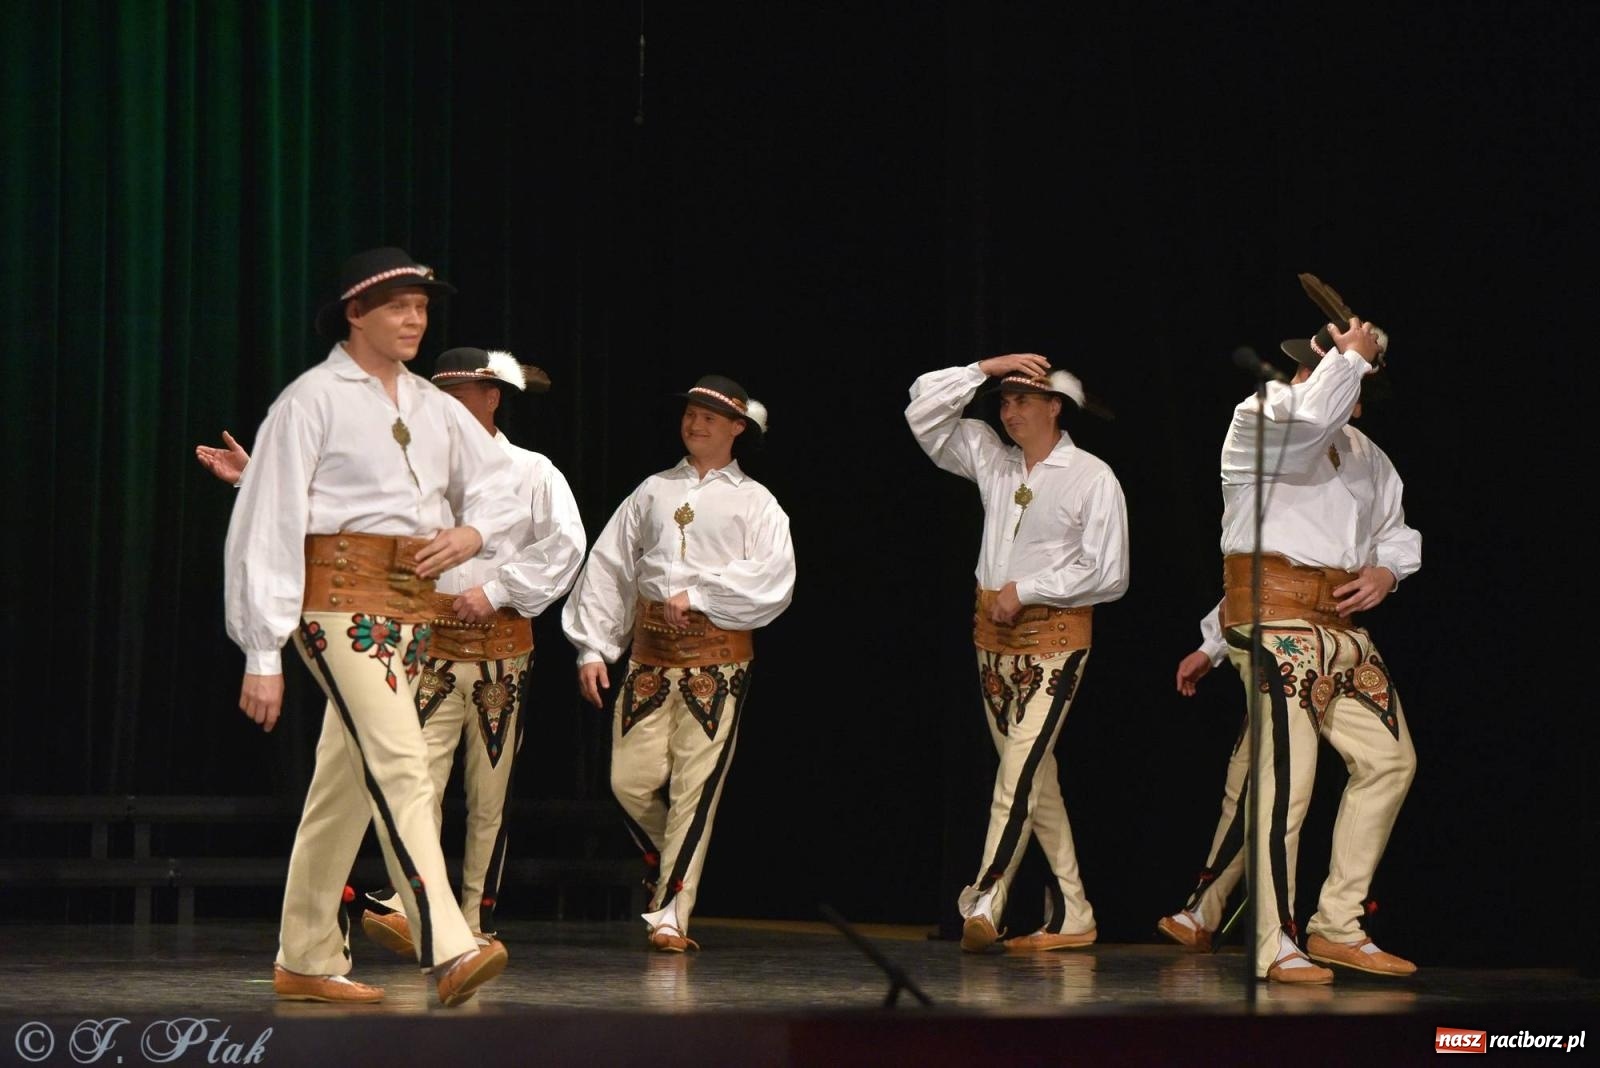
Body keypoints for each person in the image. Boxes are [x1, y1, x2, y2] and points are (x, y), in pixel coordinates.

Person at [224, 247, 522, 1005]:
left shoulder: (433, 407)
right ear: (355, 314)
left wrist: (473, 533)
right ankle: (446, 942)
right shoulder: (311, 401)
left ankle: (305, 955)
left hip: (410, 611)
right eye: (398, 306)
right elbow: (268, 520)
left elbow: (500, 484)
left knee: (346, 784)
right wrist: (262, 648)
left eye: (421, 307)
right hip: (336, 604)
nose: (415, 319)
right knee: (400, 761)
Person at [1162, 310, 1421, 984]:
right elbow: (1259, 550)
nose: (1310, 376)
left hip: (1342, 631)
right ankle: (1272, 939)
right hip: (1276, 626)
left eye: (1326, 369)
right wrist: (1353, 357)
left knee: (1391, 761)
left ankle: (1337, 924)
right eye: (1313, 365)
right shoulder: (1262, 418)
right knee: (1286, 783)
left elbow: (1395, 532)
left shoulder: (1368, 456)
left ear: (1357, 397)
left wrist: (1387, 572)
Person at [561, 375, 795, 952]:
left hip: (717, 662)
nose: (695, 423)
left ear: (738, 427)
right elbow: (612, 567)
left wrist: (705, 593)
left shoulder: (757, 502)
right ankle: (674, 867)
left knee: (695, 790)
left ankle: (670, 913)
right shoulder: (653, 490)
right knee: (627, 783)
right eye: (691, 413)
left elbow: (773, 580)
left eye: (710, 417)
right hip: (649, 658)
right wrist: (594, 646)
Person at [905, 354, 1128, 953]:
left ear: (1055, 406)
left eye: (1022, 400)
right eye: (1003, 402)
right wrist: (984, 368)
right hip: (993, 643)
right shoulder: (991, 458)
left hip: (1054, 643)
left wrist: (1027, 589)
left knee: (1015, 776)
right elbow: (921, 411)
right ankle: (1075, 912)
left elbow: (1109, 572)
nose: (1008, 413)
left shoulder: (1091, 476)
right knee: (1035, 779)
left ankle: (986, 898)